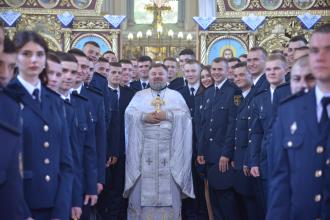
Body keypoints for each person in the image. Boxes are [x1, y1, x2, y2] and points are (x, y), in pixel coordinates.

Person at [8, 31, 73, 220]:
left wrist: (61, 211)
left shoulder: (54, 101)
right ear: (15, 57)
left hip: (54, 204)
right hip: (18, 205)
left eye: (39, 54)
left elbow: (65, 163)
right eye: (26, 54)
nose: (33, 60)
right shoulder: (7, 96)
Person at [267, 24, 330, 220]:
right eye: (314, 50)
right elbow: (280, 183)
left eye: (328, 49)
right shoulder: (289, 110)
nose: (320, 56)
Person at [124, 63, 195, 219]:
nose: (157, 76)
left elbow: (185, 118)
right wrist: (144, 117)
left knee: (169, 196)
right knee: (140, 197)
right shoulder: (139, 96)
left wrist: (168, 115)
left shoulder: (176, 96)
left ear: (167, 76)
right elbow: (129, 116)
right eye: (153, 74)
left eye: (160, 74)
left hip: (170, 153)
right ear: (148, 77)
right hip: (144, 153)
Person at [197, 57, 241, 220]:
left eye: (219, 69)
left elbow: (233, 126)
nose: (216, 73)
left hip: (223, 155)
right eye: (213, 70)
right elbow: (203, 125)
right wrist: (201, 151)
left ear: (227, 70)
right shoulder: (208, 92)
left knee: (226, 200)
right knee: (214, 200)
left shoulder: (234, 91)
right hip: (208, 154)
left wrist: (226, 154)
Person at [249, 54, 290, 219]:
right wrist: (254, 161)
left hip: (289, 160)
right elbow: (256, 132)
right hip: (266, 161)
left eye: (276, 68)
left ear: (286, 70)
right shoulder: (260, 98)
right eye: (268, 69)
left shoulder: (295, 92)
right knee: (268, 208)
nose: (272, 72)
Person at [179, 60, 208, 220]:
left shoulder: (207, 91)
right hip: (183, 146)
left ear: (200, 72)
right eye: (187, 71)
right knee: (185, 182)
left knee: (200, 184)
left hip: (201, 146)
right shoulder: (178, 92)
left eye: (193, 71)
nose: (190, 74)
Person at [231, 62, 259, 220]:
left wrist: (249, 160)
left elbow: (253, 134)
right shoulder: (239, 97)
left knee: (252, 206)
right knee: (241, 204)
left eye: (242, 74)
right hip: (238, 159)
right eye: (235, 76)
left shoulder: (256, 96)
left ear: (251, 75)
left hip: (249, 160)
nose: (238, 78)